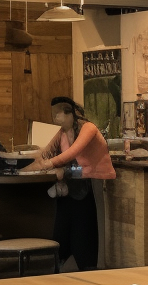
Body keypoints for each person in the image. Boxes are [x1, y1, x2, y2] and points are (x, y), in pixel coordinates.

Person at [24, 97, 116, 270]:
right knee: (62, 225)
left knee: (83, 231)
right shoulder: (62, 133)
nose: (53, 118)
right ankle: (60, 261)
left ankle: (87, 267)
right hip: (73, 182)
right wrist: (22, 169)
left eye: (56, 114)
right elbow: (46, 154)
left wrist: (49, 164)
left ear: (68, 113)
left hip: (92, 183)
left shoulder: (88, 128)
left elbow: (73, 152)